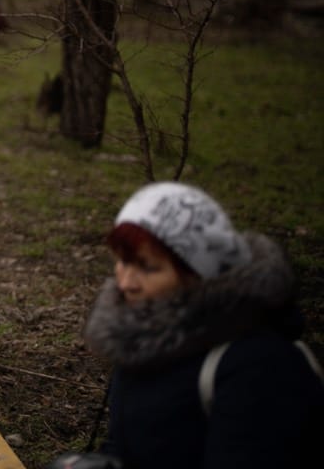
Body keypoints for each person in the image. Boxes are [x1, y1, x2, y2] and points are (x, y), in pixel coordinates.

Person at [82, 182, 324, 469]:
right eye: (122, 262)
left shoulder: (259, 368)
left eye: (148, 267)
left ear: (198, 272)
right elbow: (127, 446)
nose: (125, 283)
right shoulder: (145, 334)